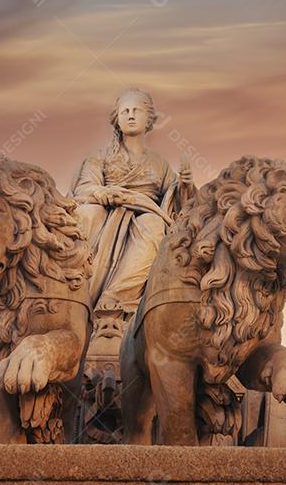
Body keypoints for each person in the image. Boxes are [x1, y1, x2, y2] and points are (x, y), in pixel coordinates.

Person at [70, 88, 195, 353]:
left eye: (136, 110)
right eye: (125, 111)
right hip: (106, 208)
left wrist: (185, 184)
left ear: (149, 119)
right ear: (117, 118)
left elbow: (178, 206)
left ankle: (114, 302)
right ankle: (77, 292)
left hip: (146, 213)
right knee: (86, 215)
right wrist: (103, 193)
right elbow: (84, 188)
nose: (130, 115)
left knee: (153, 225)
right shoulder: (100, 156)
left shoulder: (159, 163)